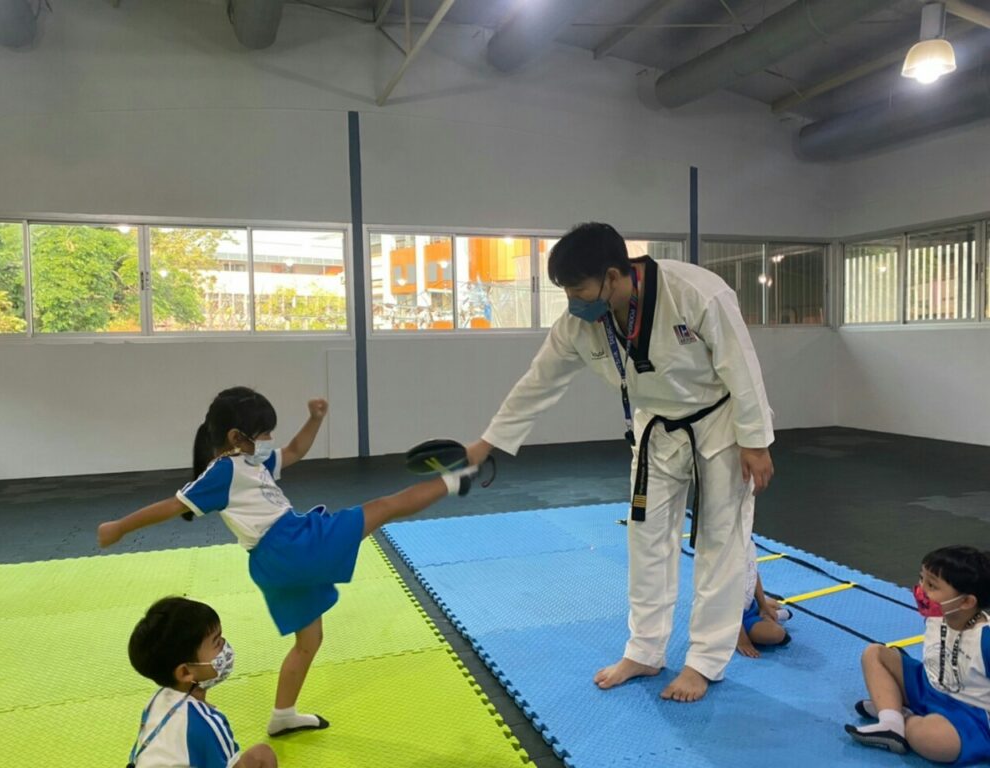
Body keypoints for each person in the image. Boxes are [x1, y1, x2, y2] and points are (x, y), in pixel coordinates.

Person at [465, 222, 774, 702]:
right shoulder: (579, 324)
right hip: (655, 431)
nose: (572, 301)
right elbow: (538, 383)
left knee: (720, 541)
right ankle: (645, 650)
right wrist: (485, 444)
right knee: (645, 541)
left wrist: (755, 441)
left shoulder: (695, 292)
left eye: (577, 289)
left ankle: (704, 662)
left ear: (612, 276)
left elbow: (742, 364)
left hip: (719, 424)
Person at [99, 386, 477, 736]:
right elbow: (173, 505)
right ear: (236, 437)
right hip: (292, 545)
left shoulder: (251, 461)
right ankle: (455, 480)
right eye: (264, 432)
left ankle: (283, 715)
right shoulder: (225, 470)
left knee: (308, 641)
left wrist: (315, 419)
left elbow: (295, 450)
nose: (269, 439)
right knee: (384, 507)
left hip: (273, 565)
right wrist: (120, 527)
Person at [845, 545, 990, 765]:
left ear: (966, 602)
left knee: (935, 741)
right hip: (927, 687)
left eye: (932, 585)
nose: (921, 589)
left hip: (968, 716)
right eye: (921, 579)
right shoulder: (937, 616)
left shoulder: (984, 639)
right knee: (874, 653)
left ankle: (899, 713)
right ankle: (891, 724)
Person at [127, 596, 277, 768]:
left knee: (260, 755)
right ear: (185, 672)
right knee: (264, 757)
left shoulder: (155, 701)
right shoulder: (206, 723)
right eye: (217, 643)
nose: (225, 647)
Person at [736, 540, 791, 658]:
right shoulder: (726, 551)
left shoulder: (748, 541)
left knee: (774, 604)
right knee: (777, 634)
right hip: (728, 616)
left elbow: (753, 573)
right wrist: (741, 639)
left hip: (747, 608)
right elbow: (725, 603)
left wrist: (763, 606)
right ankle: (771, 617)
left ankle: (768, 612)